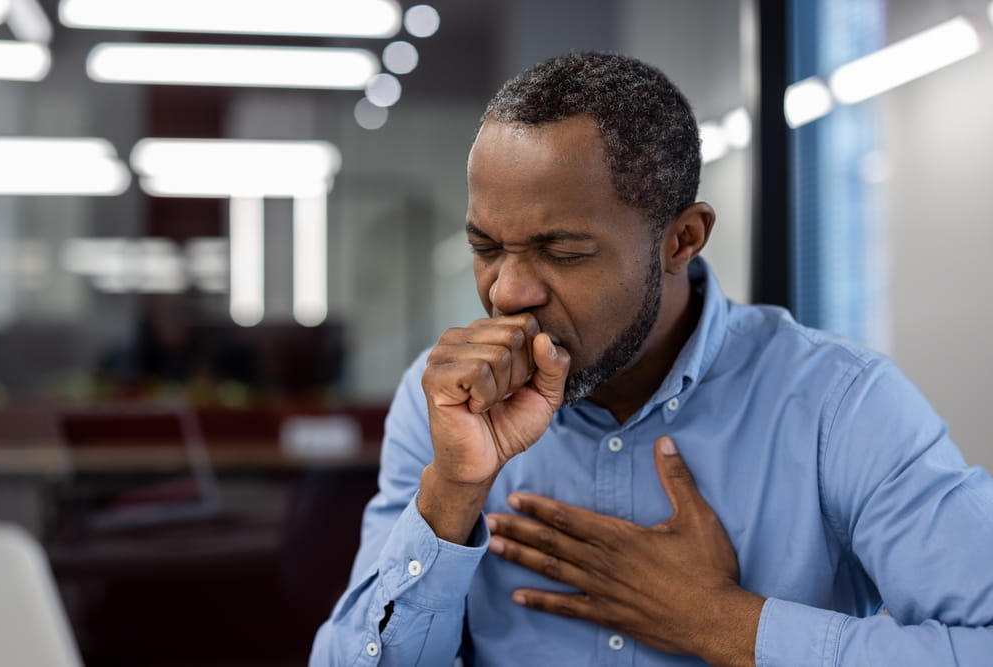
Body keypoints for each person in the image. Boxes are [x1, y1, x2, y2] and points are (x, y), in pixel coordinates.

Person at [309, 52, 993, 666]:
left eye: (562, 250)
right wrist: (450, 494)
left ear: (681, 240)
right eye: (487, 247)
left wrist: (724, 622)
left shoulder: (839, 406)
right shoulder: (444, 401)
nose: (508, 291)